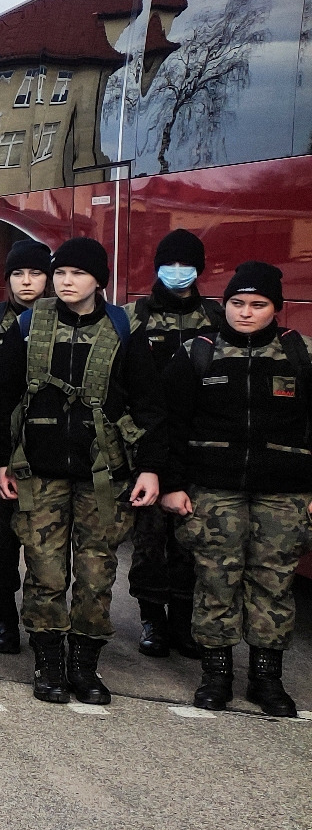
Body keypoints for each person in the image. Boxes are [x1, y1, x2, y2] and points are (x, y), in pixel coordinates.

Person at [0, 236, 163, 705]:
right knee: (44, 572)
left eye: (78, 274)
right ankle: (48, 663)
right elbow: (2, 398)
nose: (67, 282)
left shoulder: (124, 328)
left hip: (104, 475)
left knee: (95, 573)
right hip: (38, 472)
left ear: (98, 280)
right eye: (61, 273)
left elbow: (150, 405)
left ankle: (85, 666)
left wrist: (150, 468)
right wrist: (0, 462)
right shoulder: (28, 325)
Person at [149, 261, 306, 717]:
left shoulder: (300, 355)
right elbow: (170, 424)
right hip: (213, 489)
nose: (245, 312)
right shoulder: (198, 353)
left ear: (277, 308)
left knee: (274, 583)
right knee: (216, 580)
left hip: (285, 493)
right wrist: (172, 484)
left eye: (258, 305)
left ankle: (266, 680)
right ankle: (216, 676)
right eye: (237, 303)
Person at [125, 229, 225, 660]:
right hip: (146, 440)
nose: (178, 271)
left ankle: (184, 621)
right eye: (170, 263)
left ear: (199, 269)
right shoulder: (135, 316)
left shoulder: (217, 317)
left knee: (190, 536)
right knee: (149, 539)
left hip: (196, 441)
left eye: (187, 264)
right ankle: (152, 619)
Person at [0, 239, 50, 654]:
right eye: (18, 274)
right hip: (0, 450)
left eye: (35, 273)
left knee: (45, 548)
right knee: (0, 543)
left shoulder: (59, 323)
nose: (27, 281)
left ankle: (43, 624)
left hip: (45, 453)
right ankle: (4, 618)